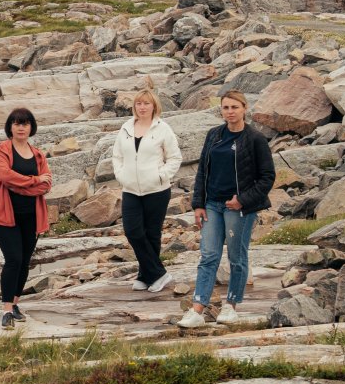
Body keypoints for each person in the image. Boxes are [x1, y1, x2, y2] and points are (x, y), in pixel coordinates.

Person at [181, 90, 275, 328]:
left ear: (244, 108)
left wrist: (243, 200)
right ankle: (197, 309)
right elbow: (203, 171)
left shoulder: (255, 138)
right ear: (221, 110)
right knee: (209, 255)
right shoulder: (214, 135)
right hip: (212, 204)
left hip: (238, 208)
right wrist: (198, 204)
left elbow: (267, 177)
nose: (230, 112)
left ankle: (231, 305)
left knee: (236, 257)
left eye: (235, 107)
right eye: (226, 108)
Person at [0, 108, 52, 330]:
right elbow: (5, 176)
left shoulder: (38, 154)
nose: (21, 127)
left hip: (31, 217)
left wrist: (26, 184)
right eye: (17, 123)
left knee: (24, 261)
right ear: (10, 127)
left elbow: (47, 184)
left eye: (26, 123)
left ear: (31, 127)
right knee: (13, 260)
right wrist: (34, 181)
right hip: (5, 216)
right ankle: (6, 310)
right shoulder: (1, 149)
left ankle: (16, 304)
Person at [111, 89, 182, 294]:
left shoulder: (163, 129)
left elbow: (175, 158)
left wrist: (161, 175)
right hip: (131, 189)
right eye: (139, 103)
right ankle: (158, 273)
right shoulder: (126, 127)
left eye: (146, 104)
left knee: (152, 234)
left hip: (157, 190)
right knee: (133, 231)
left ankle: (145, 275)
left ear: (154, 106)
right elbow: (117, 156)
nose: (142, 107)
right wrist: (121, 175)